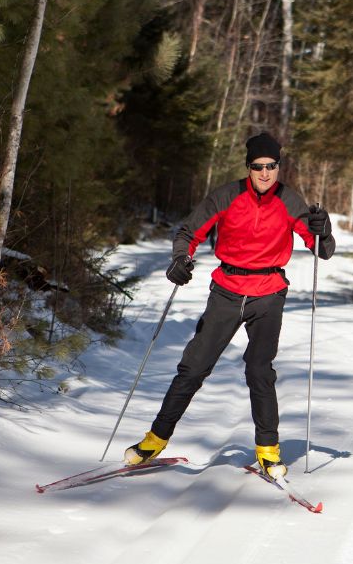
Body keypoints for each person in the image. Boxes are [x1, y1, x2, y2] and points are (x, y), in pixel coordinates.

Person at [124, 132, 336, 478]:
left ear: (278, 167)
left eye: (272, 166)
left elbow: (322, 251)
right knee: (193, 368)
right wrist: (181, 259)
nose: (265, 173)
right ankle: (155, 439)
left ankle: (268, 451)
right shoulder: (225, 196)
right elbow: (189, 232)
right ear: (248, 167)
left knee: (259, 370)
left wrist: (322, 230)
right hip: (226, 290)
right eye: (258, 167)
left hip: (268, 292)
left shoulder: (290, 200)